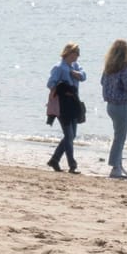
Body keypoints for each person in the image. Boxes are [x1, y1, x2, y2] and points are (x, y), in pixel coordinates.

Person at [99, 39, 127, 180]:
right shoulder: (125, 65)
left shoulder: (108, 66)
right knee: (120, 137)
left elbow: (102, 82)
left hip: (110, 105)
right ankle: (115, 168)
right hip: (123, 105)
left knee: (118, 135)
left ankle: (119, 164)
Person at [45, 42, 85, 173]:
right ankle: (72, 164)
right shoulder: (59, 67)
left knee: (72, 135)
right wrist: (63, 88)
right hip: (62, 105)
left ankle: (55, 159)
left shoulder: (75, 66)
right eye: (76, 52)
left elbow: (84, 76)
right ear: (69, 52)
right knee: (69, 135)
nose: (78, 55)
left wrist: (77, 74)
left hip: (74, 103)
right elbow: (50, 83)